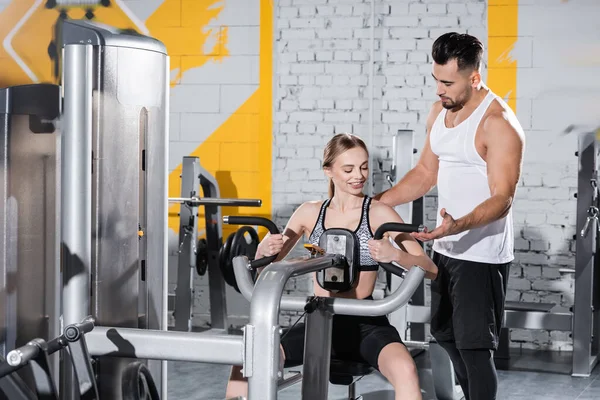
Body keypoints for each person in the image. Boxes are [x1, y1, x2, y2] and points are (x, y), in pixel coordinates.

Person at [225, 133, 439, 400]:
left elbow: (429, 268)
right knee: (246, 362)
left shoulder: (379, 213)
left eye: (363, 167)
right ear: (329, 171)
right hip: (319, 320)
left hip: (366, 324)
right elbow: (267, 270)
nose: (358, 176)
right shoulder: (309, 213)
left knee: (406, 369)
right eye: (348, 169)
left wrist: (395, 254)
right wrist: (263, 250)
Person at [376, 32, 525, 400]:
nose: (439, 90)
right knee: (446, 336)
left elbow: (502, 198)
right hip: (445, 249)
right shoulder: (439, 112)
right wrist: (375, 203)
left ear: (474, 78)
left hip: (481, 256)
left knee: (475, 349)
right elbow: (425, 174)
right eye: (436, 80)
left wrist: (460, 224)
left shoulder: (499, 123)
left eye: (447, 82)